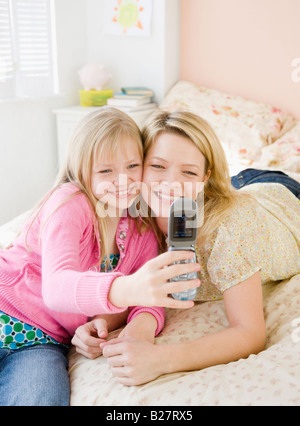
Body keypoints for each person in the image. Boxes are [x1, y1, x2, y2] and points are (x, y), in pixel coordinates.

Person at [0, 107, 199, 406]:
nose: (123, 180)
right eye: (106, 170)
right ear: (83, 171)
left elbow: (146, 297)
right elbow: (57, 288)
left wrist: (126, 324)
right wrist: (129, 288)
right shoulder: (69, 203)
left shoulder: (140, 230)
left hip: (42, 343)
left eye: (132, 166)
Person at [100, 110, 300, 386]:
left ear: (205, 177)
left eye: (189, 171)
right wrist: (103, 322)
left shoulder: (232, 227)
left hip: (282, 196)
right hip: (229, 187)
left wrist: (160, 360)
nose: (170, 182)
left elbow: (249, 333)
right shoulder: (133, 212)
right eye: (157, 166)